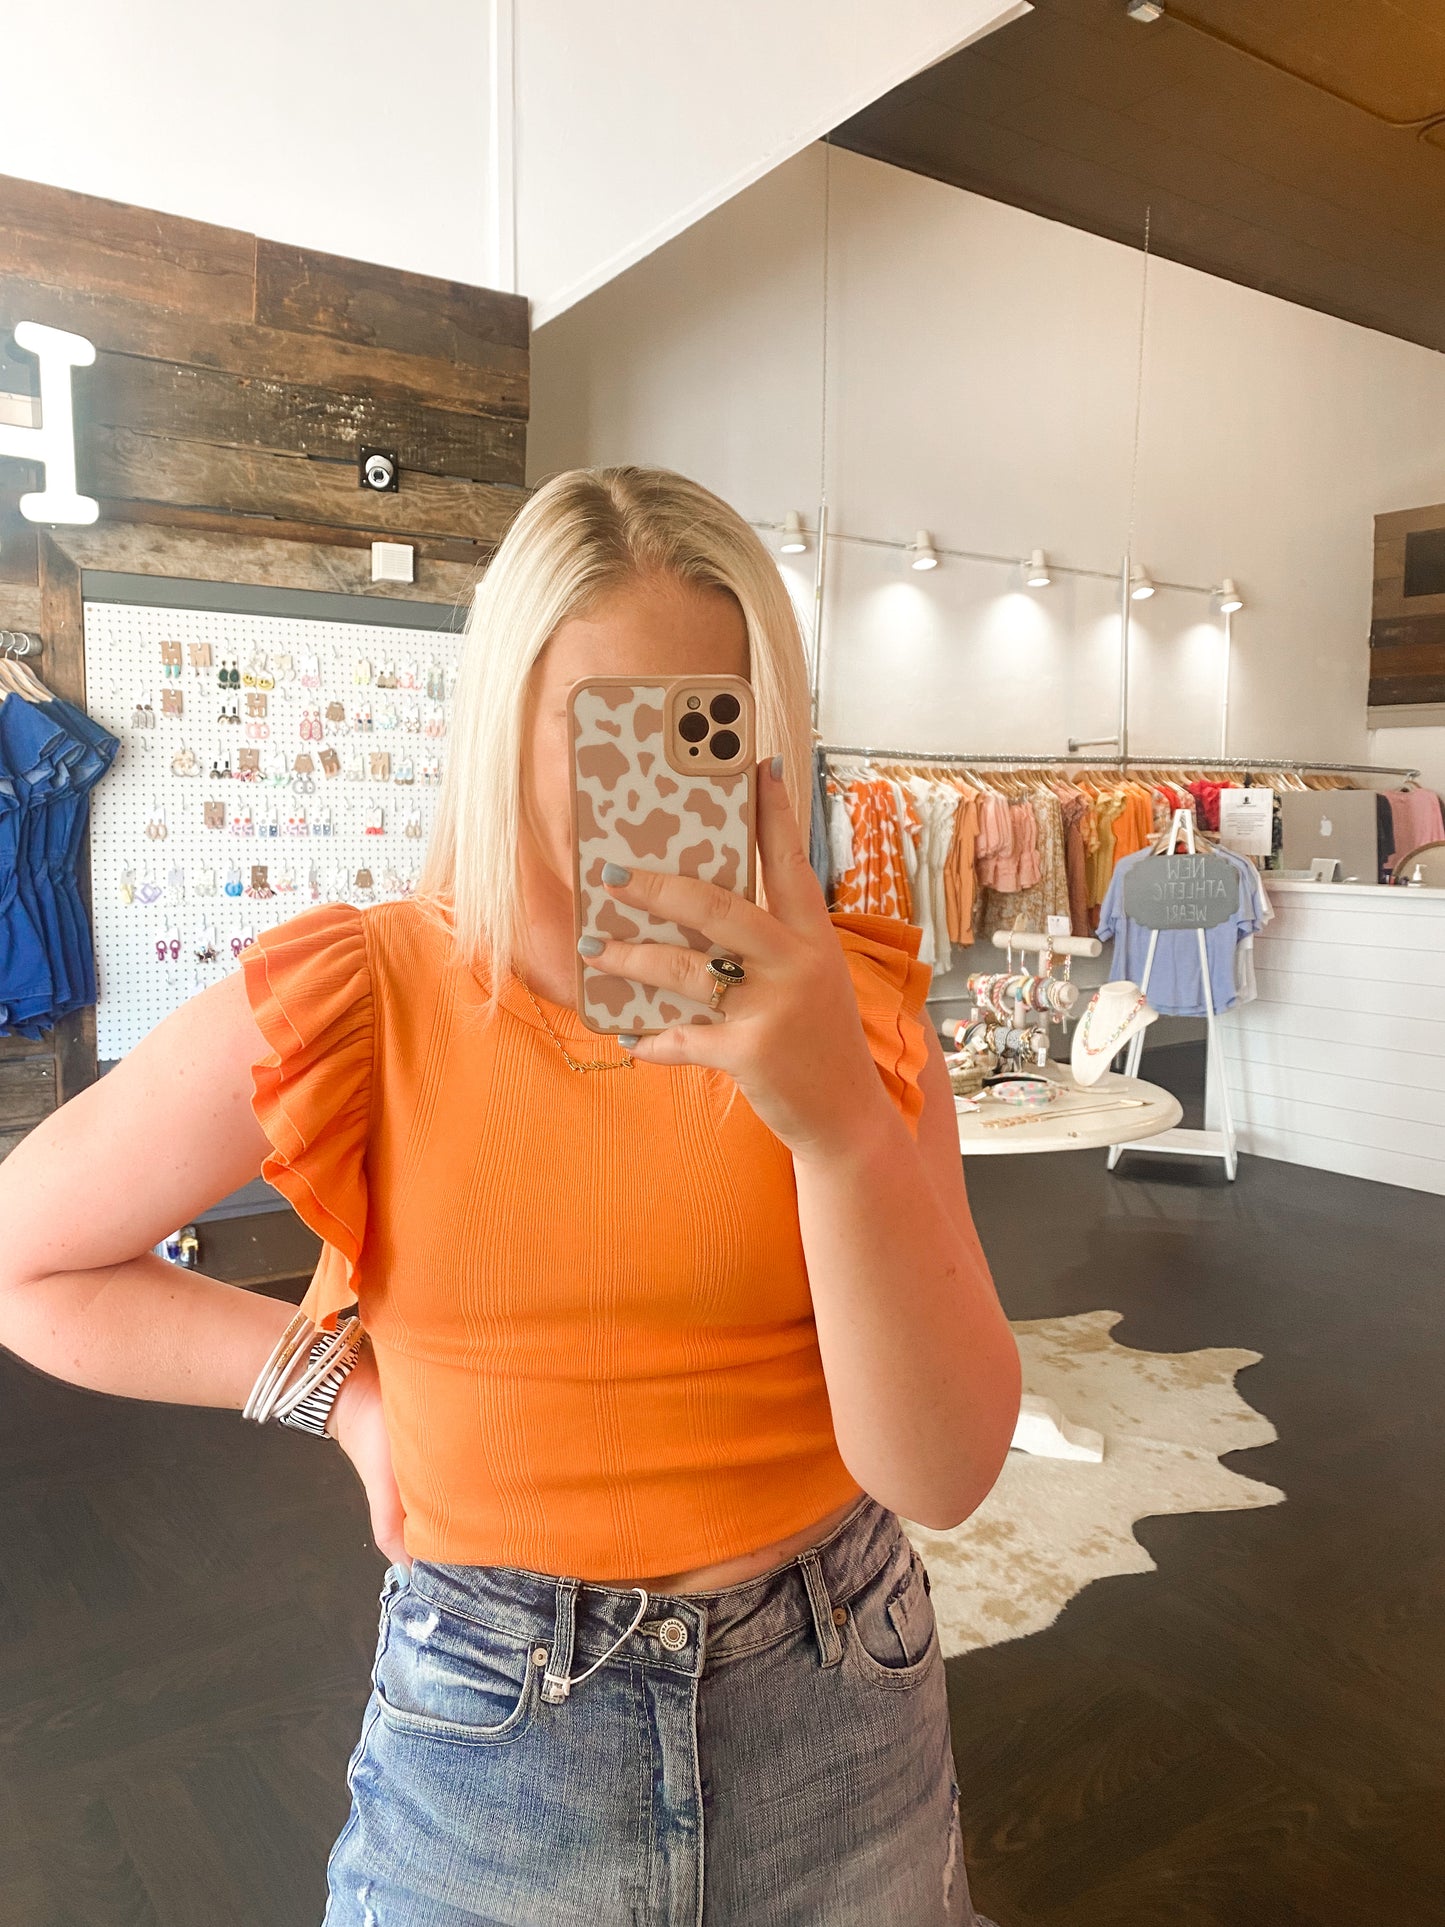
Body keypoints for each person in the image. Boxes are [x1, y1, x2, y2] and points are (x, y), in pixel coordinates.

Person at [0, 465, 1020, 1925]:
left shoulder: (852, 1013)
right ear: (502, 723)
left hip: (837, 1698)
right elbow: (24, 1260)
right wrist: (340, 1399)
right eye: (603, 724)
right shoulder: (360, 994)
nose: (653, 778)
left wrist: (841, 1125)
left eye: (705, 722)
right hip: (490, 1731)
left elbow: (942, 1475)